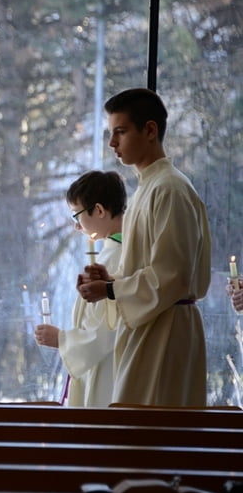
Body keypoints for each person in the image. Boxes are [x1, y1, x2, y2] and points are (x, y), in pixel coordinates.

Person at [78, 88, 211, 407]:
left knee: (151, 425)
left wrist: (112, 289)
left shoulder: (170, 189)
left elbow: (172, 275)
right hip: (148, 325)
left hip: (167, 330)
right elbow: (149, 268)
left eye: (121, 132)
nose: (112, 143)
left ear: (150, 130)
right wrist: (110, 280)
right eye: (111, 134)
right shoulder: (146, 189)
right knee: (133, 421)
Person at [35, 171, 125, 407]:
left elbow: (109, 327)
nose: (76, 226)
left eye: (77, 215)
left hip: (108, 369)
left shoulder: (118, 257)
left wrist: (62, 339)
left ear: (99, 210)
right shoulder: (112, 251)